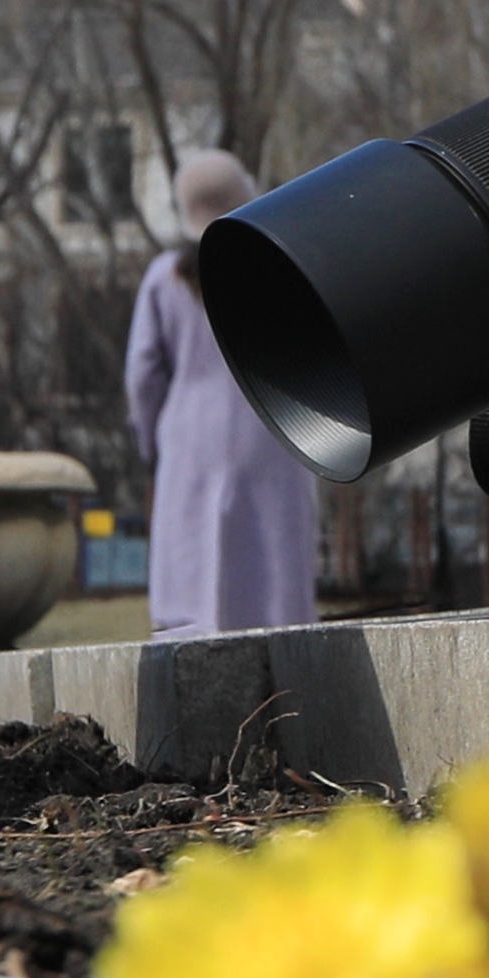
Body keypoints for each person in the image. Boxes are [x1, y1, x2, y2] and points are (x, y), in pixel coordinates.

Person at [128, 149, 322, 637]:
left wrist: (151, 442)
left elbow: (142, 373)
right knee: (276, 572)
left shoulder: (165, 278)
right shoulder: (279, 265)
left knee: (190, 572)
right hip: (273, 425)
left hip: (189, 433)